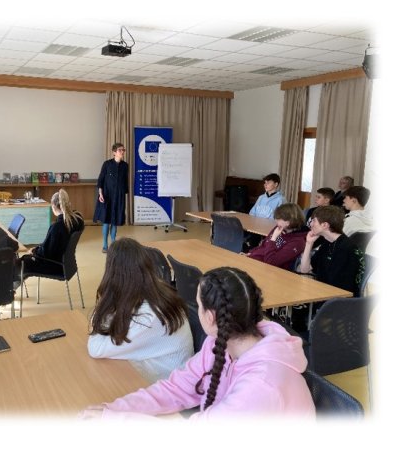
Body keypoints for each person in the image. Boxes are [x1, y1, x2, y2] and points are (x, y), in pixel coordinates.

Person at [80, 267, 314, 419]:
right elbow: (177, 388)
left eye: (198, 306)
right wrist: (115, 408)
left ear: (210, 317)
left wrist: (117, 420)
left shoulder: (262, 385)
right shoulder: (218, 344)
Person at [87, 238, 192, 383]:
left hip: (169, 386)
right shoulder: (154, 289)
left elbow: (96, 348)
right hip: (160, 372)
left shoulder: (149, 317)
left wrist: (103, 307)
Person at [299, 206, 363, 297]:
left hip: (337, 299)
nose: (310, 224)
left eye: (314, 221)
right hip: (324, 293)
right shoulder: (327, 243)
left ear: (325, 225)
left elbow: (337, 286)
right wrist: (309, 243)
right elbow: (304, 269)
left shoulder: (346, 248)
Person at [22, 189, 84, 276]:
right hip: (69, 265)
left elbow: (46, 253)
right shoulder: (78, 219)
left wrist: (34, 251)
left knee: (23, 261)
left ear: (53, 206)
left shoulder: (57, 227)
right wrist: (38, 249)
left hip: (56, 266)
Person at [246, 203, 308, 269]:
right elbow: (263, 245)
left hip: (268, 269)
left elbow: (271, 262)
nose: (276, 220)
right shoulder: (280, 228)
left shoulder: (298, 242)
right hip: (255, 260)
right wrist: (251, 253)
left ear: (288, 222)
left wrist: (273, 238)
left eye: (279, 219)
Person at [95, 143, 129, 253]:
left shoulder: (125, 166)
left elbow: (125, 182)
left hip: (119, 197)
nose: (122, 152)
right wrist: (100, 193)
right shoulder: (107, 164)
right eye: (120, 150)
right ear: (114, 152)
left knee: (115, 221)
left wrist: (123, 194)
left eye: (123, 150)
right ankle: (105, 245)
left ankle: (113, 244)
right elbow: (100, 180)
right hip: (107, 196)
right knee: (106, 220)